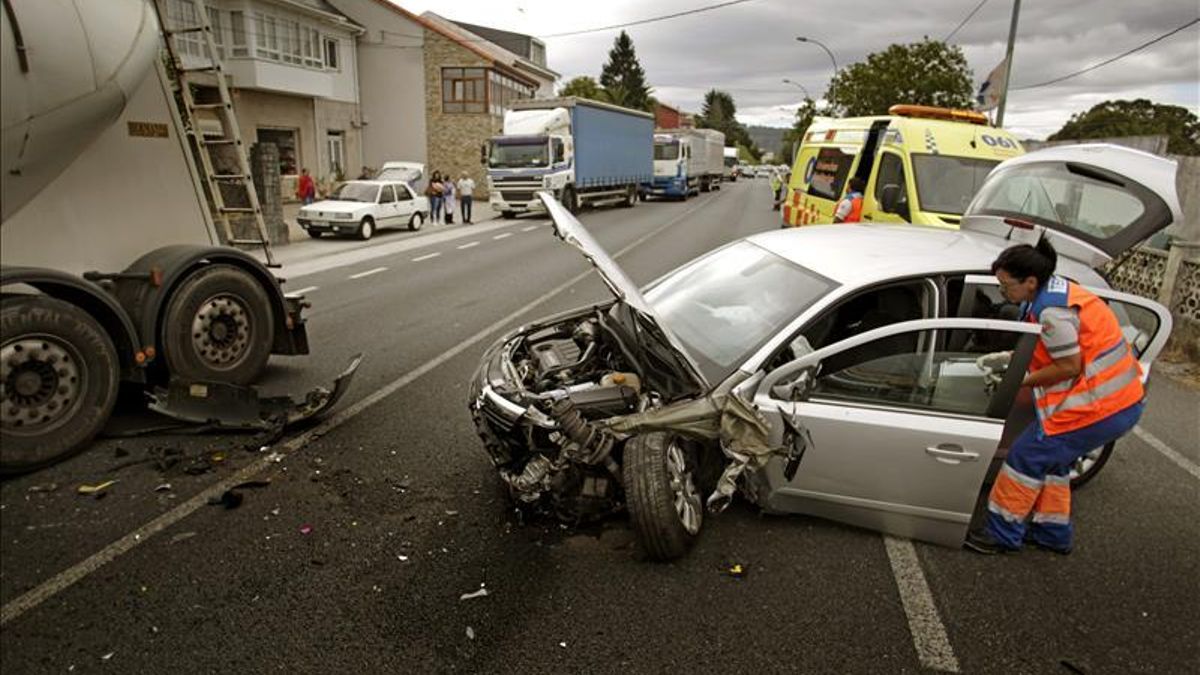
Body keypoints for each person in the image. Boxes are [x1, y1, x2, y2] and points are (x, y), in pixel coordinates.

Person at [965, 239, 1145, 556]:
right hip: (1120, 402)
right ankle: (1052, 533)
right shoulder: (1057, 293)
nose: (1002, 292)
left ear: (1030, 281)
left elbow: (1068, 365)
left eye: (1006, 285)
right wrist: (1009, 358)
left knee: (1025, 457)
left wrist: (1019, 381)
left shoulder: (1052, 312)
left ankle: (1002, 534)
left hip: (1100, 406)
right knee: (1053, 463)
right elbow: (1050, 348)